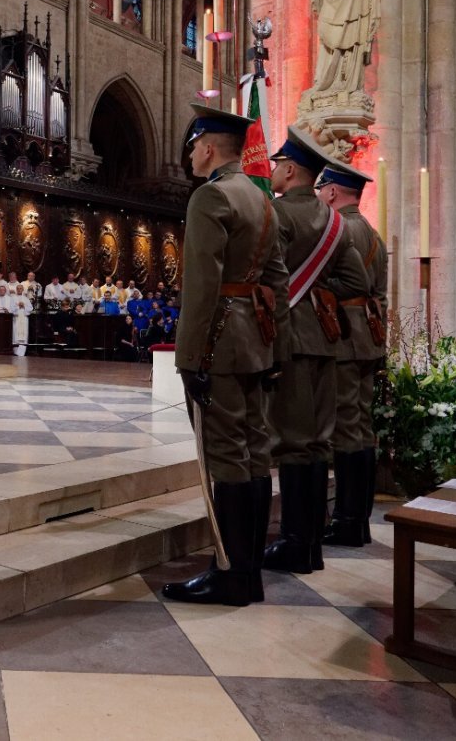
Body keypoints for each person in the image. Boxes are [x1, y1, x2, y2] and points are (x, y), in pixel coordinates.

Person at [162, 104, 289, 608]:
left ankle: (230, 574)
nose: (191, 154)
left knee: (226, 457)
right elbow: (277, 280)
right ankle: (249, 570)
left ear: (210, 147)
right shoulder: (262, 201)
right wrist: (273, 343)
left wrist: (189, 357)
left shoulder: (211, 197)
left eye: (194, 145)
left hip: (220, 340)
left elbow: (201, 285)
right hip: (256, 340)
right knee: (255, 453)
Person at [262, 128, 367, 576]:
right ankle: (311, 547)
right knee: (318, 441)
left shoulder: (275, 214)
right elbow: (356, 284)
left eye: (276, 166)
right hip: (325, 342)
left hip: (287, 339)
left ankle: (294, 542)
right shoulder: (336, 222)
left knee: (290, 443)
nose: (272, 173)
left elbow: (263, 274)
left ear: (290, 169)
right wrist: (319, 295)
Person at [317, 162, 388, 547]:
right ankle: (358, 519)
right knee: (361, 427)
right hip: (369, 338)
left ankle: (346, 520)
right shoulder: (372, 232)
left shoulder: (339, 230)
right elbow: (380, 293)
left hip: (343, 336)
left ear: (331, 192)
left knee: (346, 429)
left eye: (320, 189)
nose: (318, 195)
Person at [7, 283, 33, 356]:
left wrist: (24, 306)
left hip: (24, 319)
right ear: (16, 290)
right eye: (17, 288)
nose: (19, 290)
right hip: (16, 318)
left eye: (20, 288)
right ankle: (15, 352)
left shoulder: (26, 298)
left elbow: (30, 308)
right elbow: (10, 309)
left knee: (23, 336)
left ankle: (21, 353)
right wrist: (18, 306)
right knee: (15, 335)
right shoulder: (12, 298)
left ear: (23, 290)